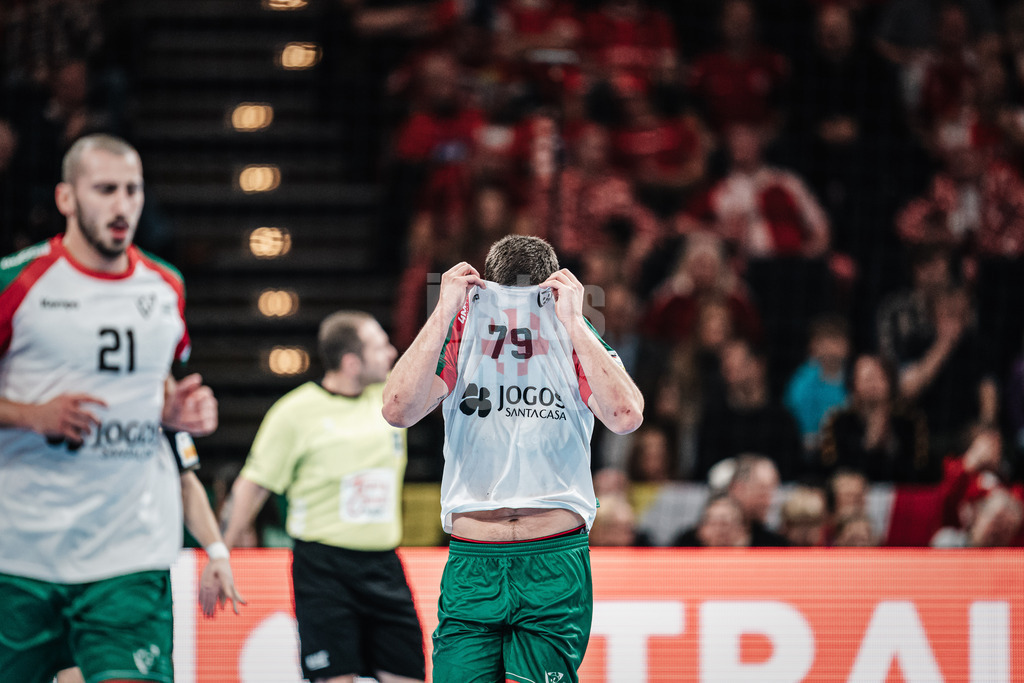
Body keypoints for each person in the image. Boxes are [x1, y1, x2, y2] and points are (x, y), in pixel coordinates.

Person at [0, 133, 220, 682]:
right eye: (105, 190)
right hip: (21, 553)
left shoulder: (166, 287)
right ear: (66, 198)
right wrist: (32, 415)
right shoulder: (17, 282)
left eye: (132, 190)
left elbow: (161, 384)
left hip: (128, 552)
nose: (122, 205)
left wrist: (180, 412)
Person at [381, 235, 644, 683]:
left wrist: (575, 323)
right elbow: (397, 409)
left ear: (552, 293)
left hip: (552, 559)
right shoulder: (461, 324)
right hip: (474, 560)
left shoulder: (572, 329)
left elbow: (625, 415)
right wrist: (444, 310)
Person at [223, 311, 425, 683]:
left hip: (385, 566)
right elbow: (253, 484)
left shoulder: (391, 402)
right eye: (380, 347)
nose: (392, 352)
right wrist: (222, 552)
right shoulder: (294, 413)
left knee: (409, 675)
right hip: (323, 568)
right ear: (351, 363)